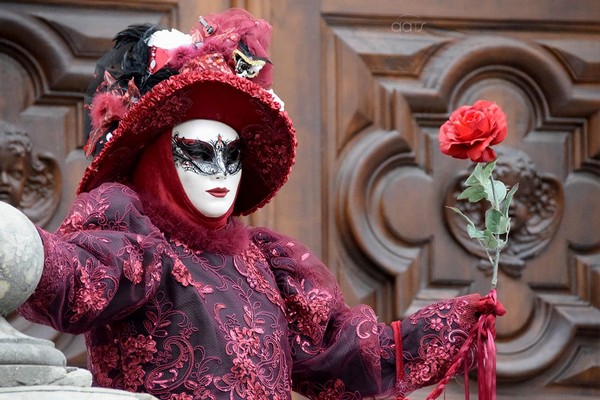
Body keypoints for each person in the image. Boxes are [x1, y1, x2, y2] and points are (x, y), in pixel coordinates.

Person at [2, 8, 500, 399]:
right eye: (198, 152)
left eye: (232, 153)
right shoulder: (133, 235)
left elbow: (346, 359)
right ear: (155, 155)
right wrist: (15, 243)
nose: (220, 171)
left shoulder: (267, 263)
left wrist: (458, 324)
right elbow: (76, 279)